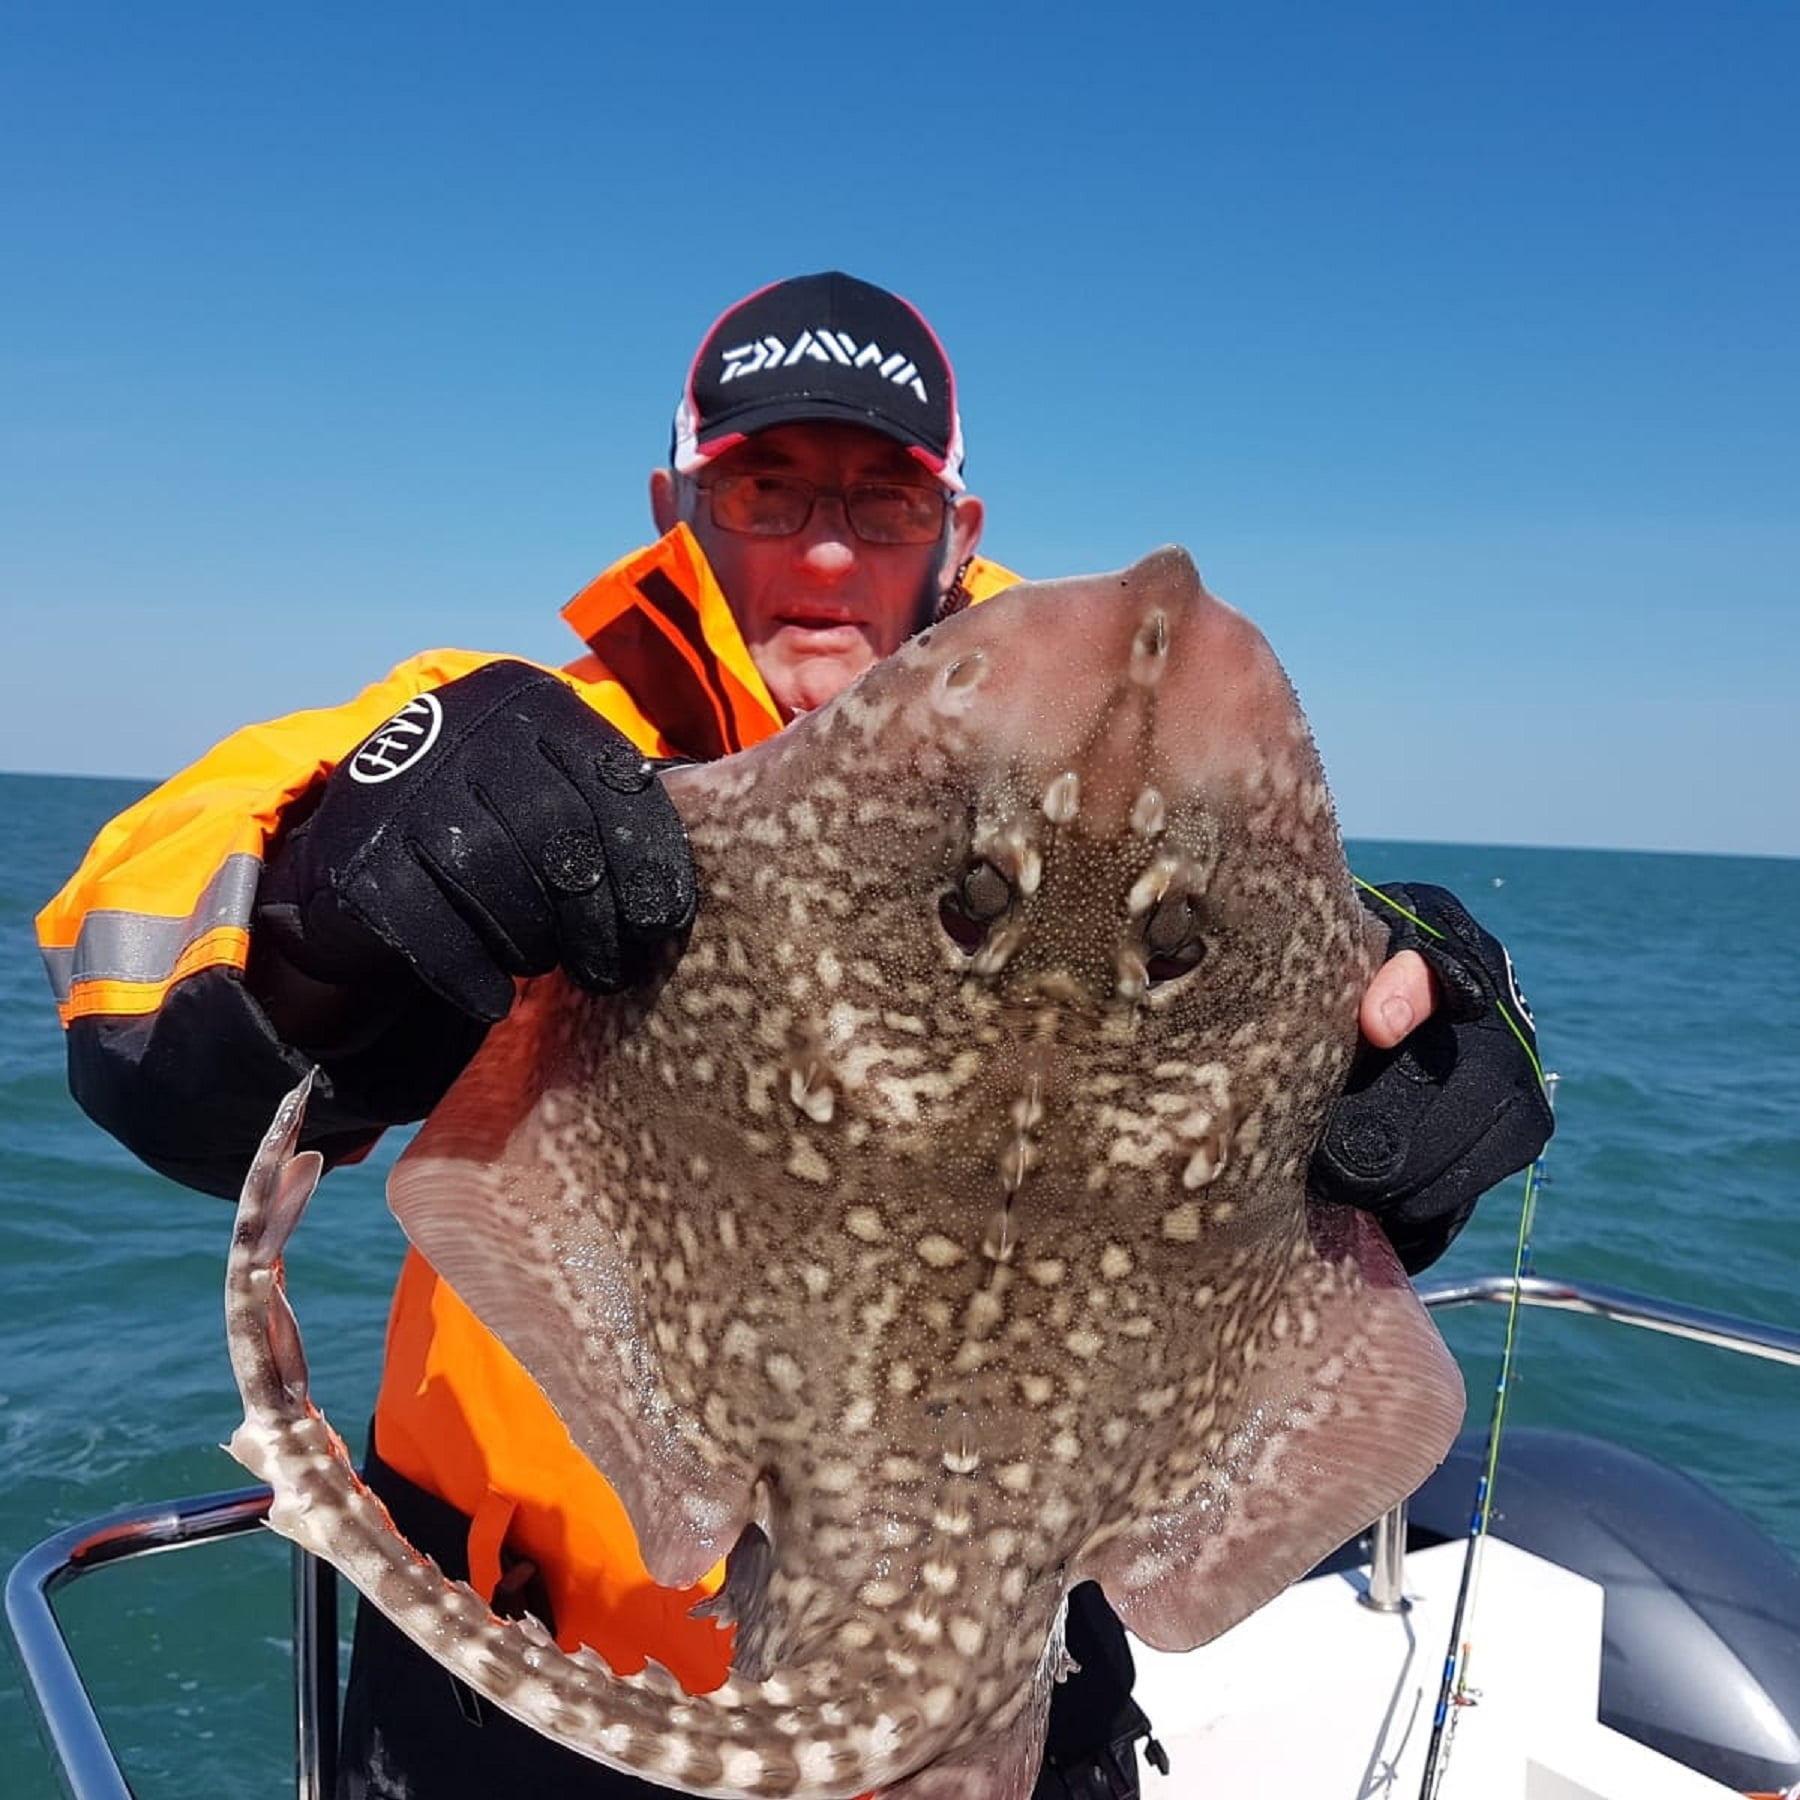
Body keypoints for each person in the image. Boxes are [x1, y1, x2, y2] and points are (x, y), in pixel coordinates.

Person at [37, 272, 1553, 1800]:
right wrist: (327, 898)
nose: (826, 547)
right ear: (677, 503)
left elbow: (1338, 1015)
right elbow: (145, 957)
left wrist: (1436, 1047)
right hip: (518, 1718)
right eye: (768, 488)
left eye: (882, 502)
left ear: (954, 531)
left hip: (1006, 1692)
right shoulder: (514, 737)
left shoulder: (1131, 790)